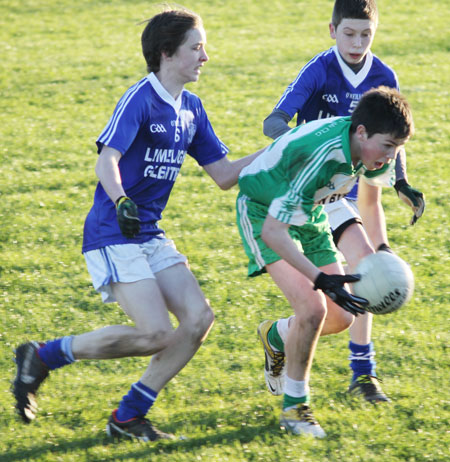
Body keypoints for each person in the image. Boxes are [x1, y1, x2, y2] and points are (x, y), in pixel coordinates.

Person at [12, 8, 263, 442]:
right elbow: (106, 159)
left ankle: (128, 417)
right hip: (114, 230)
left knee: (198, 319)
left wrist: (285, 147)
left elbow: (223, 174)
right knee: (153, 334)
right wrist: (122, 200)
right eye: (196, 47)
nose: (205, 56)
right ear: (167, 53)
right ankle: (43, 356)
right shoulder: (140, 98)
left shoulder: (191, 109)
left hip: (149, 233)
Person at [260, 0, 425, 403]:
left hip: (336, 197)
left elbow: (391, 141)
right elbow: (273, 122)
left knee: (366, 271)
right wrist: (310, 141)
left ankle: (363, 374)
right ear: (332, 31)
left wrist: (401, 181)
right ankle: (279, 338)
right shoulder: (319, 70)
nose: (357, 42)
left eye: (366, 34)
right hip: (301, 192)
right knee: (325, 311)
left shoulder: (384, 75)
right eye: (349, 33)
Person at [236, 86, 414, 437]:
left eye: (397, 149)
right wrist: (319, 278)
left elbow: (370, 200)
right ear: (361, 132)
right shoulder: (324, 155)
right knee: (313, 309)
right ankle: (294, 410)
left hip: (310, 211)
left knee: (343, 316)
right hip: (263, 212)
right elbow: (274, 231)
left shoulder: (366, 148)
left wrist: (382, 249)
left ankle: (276, 335)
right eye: (389, 147)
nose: (391, 157)